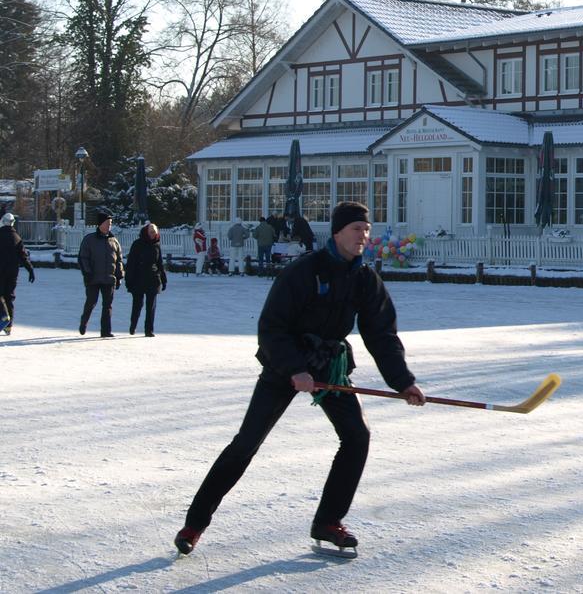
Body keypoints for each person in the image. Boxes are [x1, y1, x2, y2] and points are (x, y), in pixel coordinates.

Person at [174, 201, 425, 557]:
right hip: (284, 364)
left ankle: (328, 521)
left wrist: (403, 382)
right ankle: (194, 523)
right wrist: (294, 369)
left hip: (329, 365)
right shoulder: (303, 271)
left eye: (367, 230)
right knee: (246, 444)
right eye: (357, 229)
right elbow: (271, 327)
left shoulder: (365, 279)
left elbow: (381, 334)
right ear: (337, 232)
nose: (363, 236)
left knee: (357, 436)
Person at [79, 209, 124, 338]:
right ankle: (84, 322)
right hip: (93, 278)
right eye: (107, 223)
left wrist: (119, 275)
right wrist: (87, 273)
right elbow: (83, 258)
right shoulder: (89, 240)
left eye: (110, 223)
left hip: (109, 279)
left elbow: (119, 259)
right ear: (100, 224)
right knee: (91, 302)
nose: (109, 225)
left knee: (107, 306)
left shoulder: (114, 241)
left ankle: (106, 331)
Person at [125, 222, 167, 336]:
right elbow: (131, 264)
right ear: (146, 233)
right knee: (137, 305)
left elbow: (160, 263)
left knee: (151, 306)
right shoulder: (137, 244)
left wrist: (163, 279)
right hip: (138, 279)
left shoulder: (157, 245)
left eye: (155, 232)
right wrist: (128, 281)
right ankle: (133, 325)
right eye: (151, 232)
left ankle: (149, 330)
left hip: (153, 279)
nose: (154, 234)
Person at [0, 213, 35, 335]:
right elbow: (23, 256)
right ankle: (9, 327)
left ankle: (4, 316)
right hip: (13, 272)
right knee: (9, 297)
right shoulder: (17, 237)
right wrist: (30, 270)